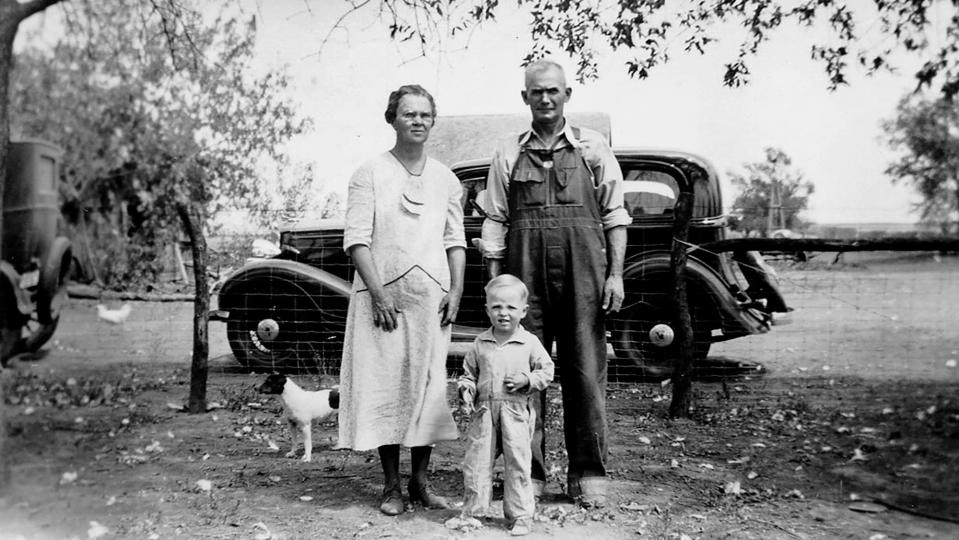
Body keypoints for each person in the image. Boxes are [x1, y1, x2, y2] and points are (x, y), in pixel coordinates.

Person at [479, 60, 631, 508]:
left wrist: (616, 275)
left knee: (586, 372)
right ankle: (531, 474)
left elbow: (615, 216)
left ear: (567, 94)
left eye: (553, 91)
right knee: (521, 375)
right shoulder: (508, 151)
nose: (545, 99)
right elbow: (495, 221)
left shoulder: (592, 147)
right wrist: (495, 287)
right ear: (524, 97)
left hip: (585, 273)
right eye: (536, 92)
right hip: (525, 275)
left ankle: (588, 475)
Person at [337, 84, 466, 516]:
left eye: (425, 114)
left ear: (433, 120)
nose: (417, 121)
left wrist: (457, 289)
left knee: (428, 388)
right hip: (382, 300)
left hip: (431, 302)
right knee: (388, 388)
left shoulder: (446, 179)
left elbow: (455, 240)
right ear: (392, 118)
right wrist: (378, 293)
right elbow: (356, 241)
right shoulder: (368, 172)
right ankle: (391, 486)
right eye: (408, 113)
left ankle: (421, 484)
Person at [457, 274, 555, 536]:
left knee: (519, 463)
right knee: (477, 462)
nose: (503, 313)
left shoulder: (530, 342)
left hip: (516, 413)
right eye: (497, 307)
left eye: (511, 307)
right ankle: (473, 512)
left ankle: (520, 515)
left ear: (523, 311)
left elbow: (547, 371)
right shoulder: (480, 343)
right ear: (487, 309)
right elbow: (468, 374)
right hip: (484, 413)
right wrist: (466, 389)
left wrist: (528, 379)